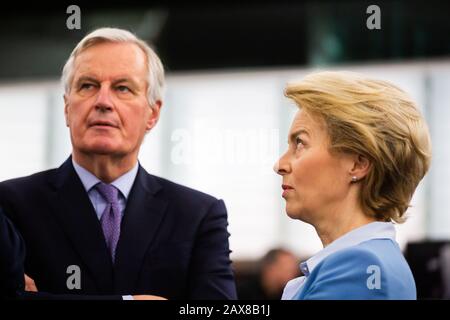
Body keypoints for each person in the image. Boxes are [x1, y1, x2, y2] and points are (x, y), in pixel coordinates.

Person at [0, 28, 237, 300]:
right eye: (88, 85)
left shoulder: (198, 215)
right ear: (67, 107)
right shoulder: (11, 204)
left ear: (153, 113)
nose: (103, 102)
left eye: (122, 88)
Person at [274, 71, 431, 300]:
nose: (280, 165)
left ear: (358, 164)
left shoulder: (360, 268)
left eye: (300, 143)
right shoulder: (368, 260)